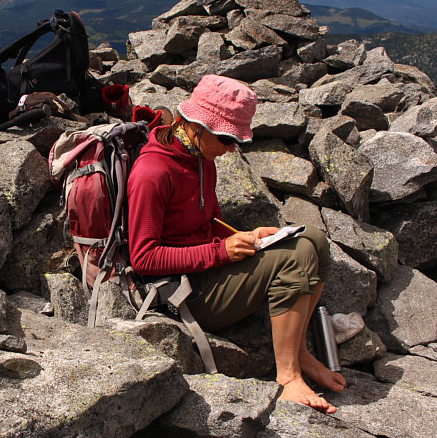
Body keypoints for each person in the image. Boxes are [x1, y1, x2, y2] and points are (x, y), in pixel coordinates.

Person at [127, 74, 346, 413]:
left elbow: (209, 223)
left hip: (210, 271)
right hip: (185, 292)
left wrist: (244, 237)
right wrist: (221, 251)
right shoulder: (152, 172)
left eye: (236, 140)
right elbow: (143, 258)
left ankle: (300, 352)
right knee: (297, 256)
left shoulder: (202, 158)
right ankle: (288, 378)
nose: (231, 149)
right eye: (227, 137)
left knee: (313, 238)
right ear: (195, 125)